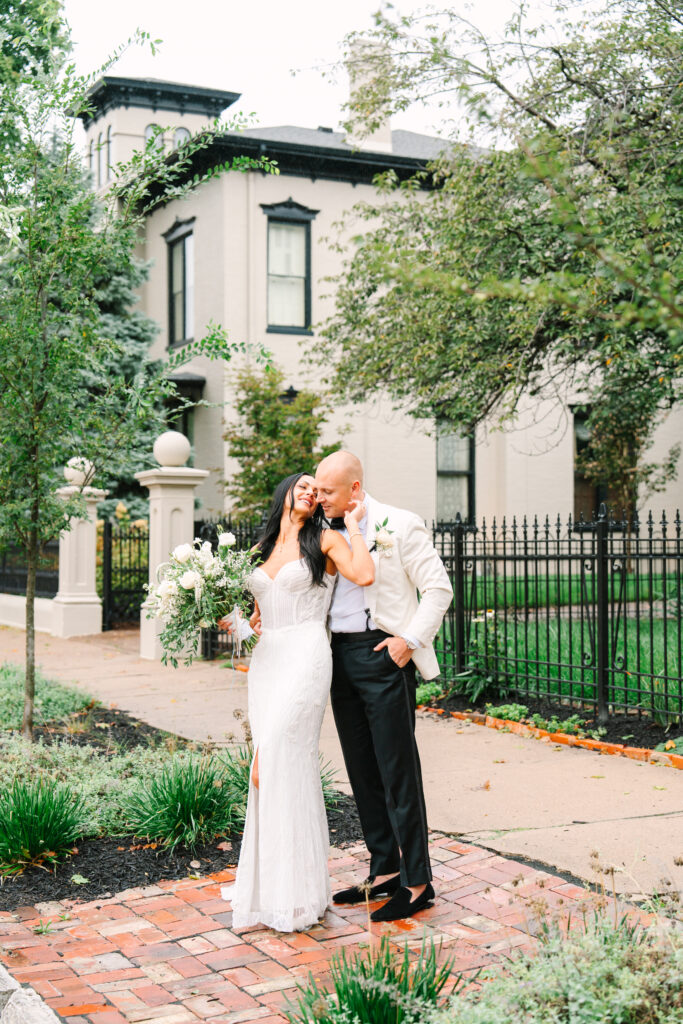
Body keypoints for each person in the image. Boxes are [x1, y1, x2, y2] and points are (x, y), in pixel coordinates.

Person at [219, 471, 374, 933]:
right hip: (268, 662)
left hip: (307, 655)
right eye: (302, 485)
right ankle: (273, 889)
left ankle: (299, 894)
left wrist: (358, 527)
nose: (310, 492)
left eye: (316, 489)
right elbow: (257, 616)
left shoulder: (326, 539)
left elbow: (363, 574)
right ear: (284, 491)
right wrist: (238, 625)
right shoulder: (262, 548)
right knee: (266, 771)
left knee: (283, 754)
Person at [314, 451, 453, 922]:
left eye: (328, 490)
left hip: (384, 654)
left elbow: (439, 588)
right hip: (339, 656)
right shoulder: (325, 528)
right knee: (362, 770)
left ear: (354, 488)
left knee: (398, 770)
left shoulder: (400, 523)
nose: (319, 497)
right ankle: (384, 872)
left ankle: (417, 882)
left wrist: (408, 642)